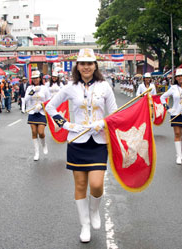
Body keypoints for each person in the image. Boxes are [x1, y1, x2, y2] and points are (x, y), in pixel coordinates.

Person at [46, 48, 117, 243]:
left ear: (95, 66)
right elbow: (50, 107)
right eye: (83, 63)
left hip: (98, 142)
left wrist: (101, 123)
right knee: (80, 185)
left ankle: (94, 211)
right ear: (78, 66)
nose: (86, 67)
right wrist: (66, 124)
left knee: (96, 185)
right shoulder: (70, 87)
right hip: (77, 142)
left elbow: (114, 114)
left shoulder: (105, 86)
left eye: (90, 63)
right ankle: (84, 225)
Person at [160, 68, 182, 165]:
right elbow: (162, 97)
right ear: (176, 78)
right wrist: (168, 108)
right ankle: (178, 155)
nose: (180, 78)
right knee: (177, 134)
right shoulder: (173, 88)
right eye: (178, 76)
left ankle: (181, 151)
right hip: (175, 114)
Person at [24, 70, 50, 161]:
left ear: (40, 78)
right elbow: (26, 99)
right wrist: (32, 91)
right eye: (33, 78)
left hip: (42, 112)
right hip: (32, 112)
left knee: (41, 132)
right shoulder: (29, 88)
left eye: (37, 78)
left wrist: (42, 105)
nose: (35, 80)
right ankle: (37, 152)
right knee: (34, 132)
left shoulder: (44, 88)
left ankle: (44, 144)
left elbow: (48, 100)